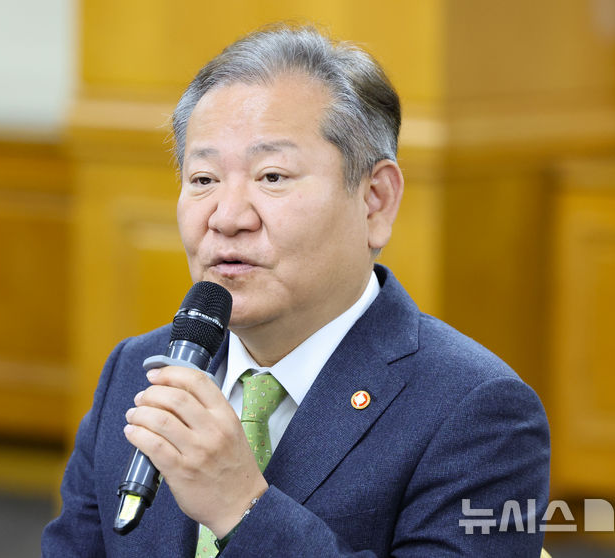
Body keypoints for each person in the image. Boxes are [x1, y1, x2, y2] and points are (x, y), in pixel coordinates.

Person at [42, 24, 550, 557]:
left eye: (273, 177)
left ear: (375, 200)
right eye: (203, 180)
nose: (228, 217)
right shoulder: (137, 371)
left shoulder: (477, 411)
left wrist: (242, 506)